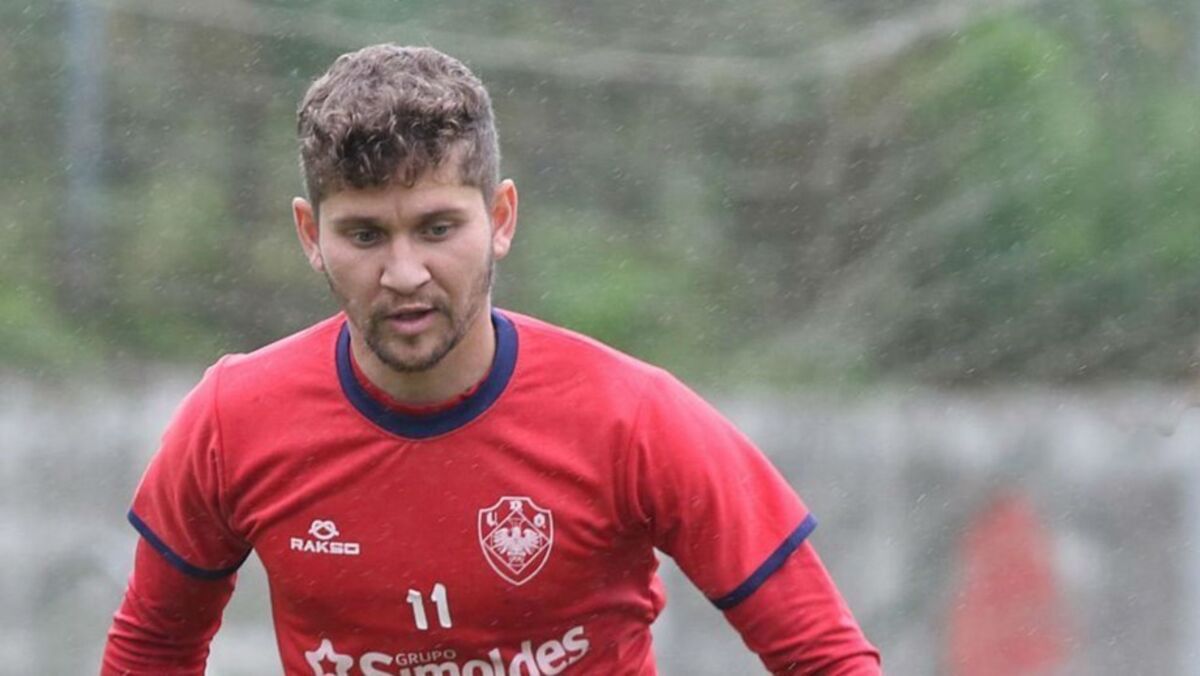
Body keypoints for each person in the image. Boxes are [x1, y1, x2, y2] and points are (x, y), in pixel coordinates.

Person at [102, 44, 880, 675]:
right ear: (312, 235)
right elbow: (151, 653)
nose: (404, 273)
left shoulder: (633, 417)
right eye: (365, 235)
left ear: (500, 218)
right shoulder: (232, 420)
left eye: (437, 228)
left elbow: (825, 658)